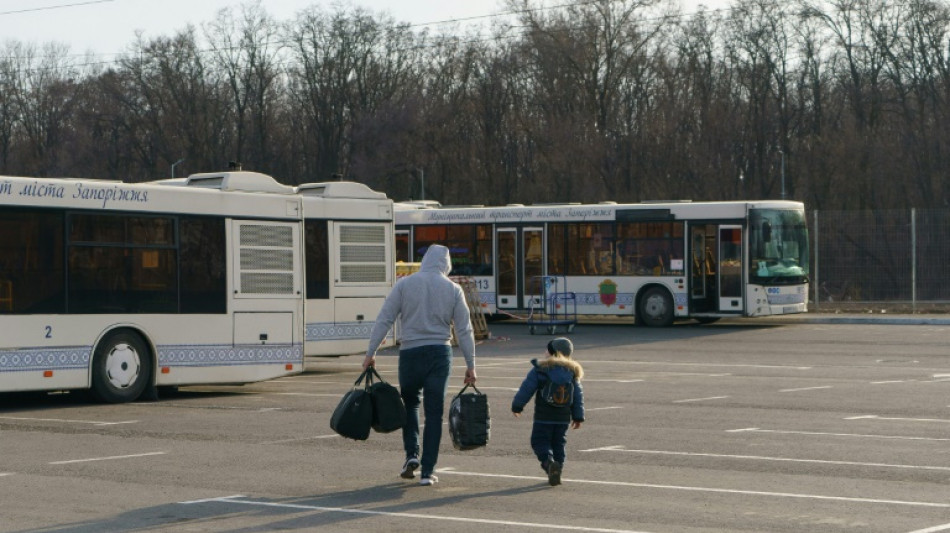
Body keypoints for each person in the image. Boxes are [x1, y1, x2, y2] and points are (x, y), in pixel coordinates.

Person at [363, 244, 477, 487]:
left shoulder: (405, 284)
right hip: (439, 353)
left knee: (411, 404)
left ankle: (411, 454)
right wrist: (471, 365)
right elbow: (465, 330)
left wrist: (370, 353)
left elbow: (385, 318)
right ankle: (427, 471)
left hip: (410, 353)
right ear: (446, 265)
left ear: (425, 261)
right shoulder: (453, 289)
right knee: (434, 413)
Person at [511, 337, 585, 486]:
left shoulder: (541, 369)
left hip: (543, 416)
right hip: (563, 418)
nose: (545, 352)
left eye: (547, 349)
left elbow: (527, 389)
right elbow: (577, 396)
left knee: (539, 441)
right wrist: (578, 416)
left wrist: (517, 406)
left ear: (553, 352)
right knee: (559, 443)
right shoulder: (572, 372)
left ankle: (548, 463)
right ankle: (558, 468)